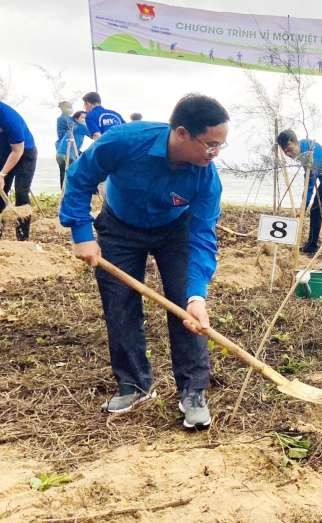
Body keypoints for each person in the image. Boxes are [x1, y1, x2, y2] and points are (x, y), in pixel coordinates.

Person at [60, 94, 229, 429]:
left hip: (175, 232)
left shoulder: (206, 178)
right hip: (120, 228)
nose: (215, 154)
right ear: (181, 133)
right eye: (210, 145)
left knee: (186, 309)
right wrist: (82, 233)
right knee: (120, 304)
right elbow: (80, 177)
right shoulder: (125, 140)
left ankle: (193, 391)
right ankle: (134, 385)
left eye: (221, 146)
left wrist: (197, 295)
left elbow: (202, 236)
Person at [276, 129, 322, 256]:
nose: (288, 154)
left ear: (294, 141)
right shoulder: (303, 150)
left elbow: (310, 182)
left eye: (289, 149)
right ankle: (312, 245)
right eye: (285, 152)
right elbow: (308, 178)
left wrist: (304, 205)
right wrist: (305, 205)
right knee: (315, 210)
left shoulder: (310, 153)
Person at [0, 101, 37, 241]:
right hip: (4, 151)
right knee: (1, 191)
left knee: (21, 192)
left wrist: (2, 174)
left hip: (25, 153)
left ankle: (22, 238)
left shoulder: (8, 117)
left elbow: (18, 150)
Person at [55, 111, 89, 188]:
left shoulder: (72, 127)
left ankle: (64, 194)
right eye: (83, 118)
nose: (84, 120)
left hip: (60, 154)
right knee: (74, 176)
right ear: (76, 118)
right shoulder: (81, 127)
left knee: (64, 175)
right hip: (68, 155)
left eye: (86, 118)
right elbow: (94, 135)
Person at [55, 101, 74, 185]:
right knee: (64, 172)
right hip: (64, 149)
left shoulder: (70, 118)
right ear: (63, 109)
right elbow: (61, 135)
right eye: (69, 107)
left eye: (71, 107)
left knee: (67, 172)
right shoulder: (62, 119)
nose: (71, 109)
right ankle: (64, 193)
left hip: (70, 149)